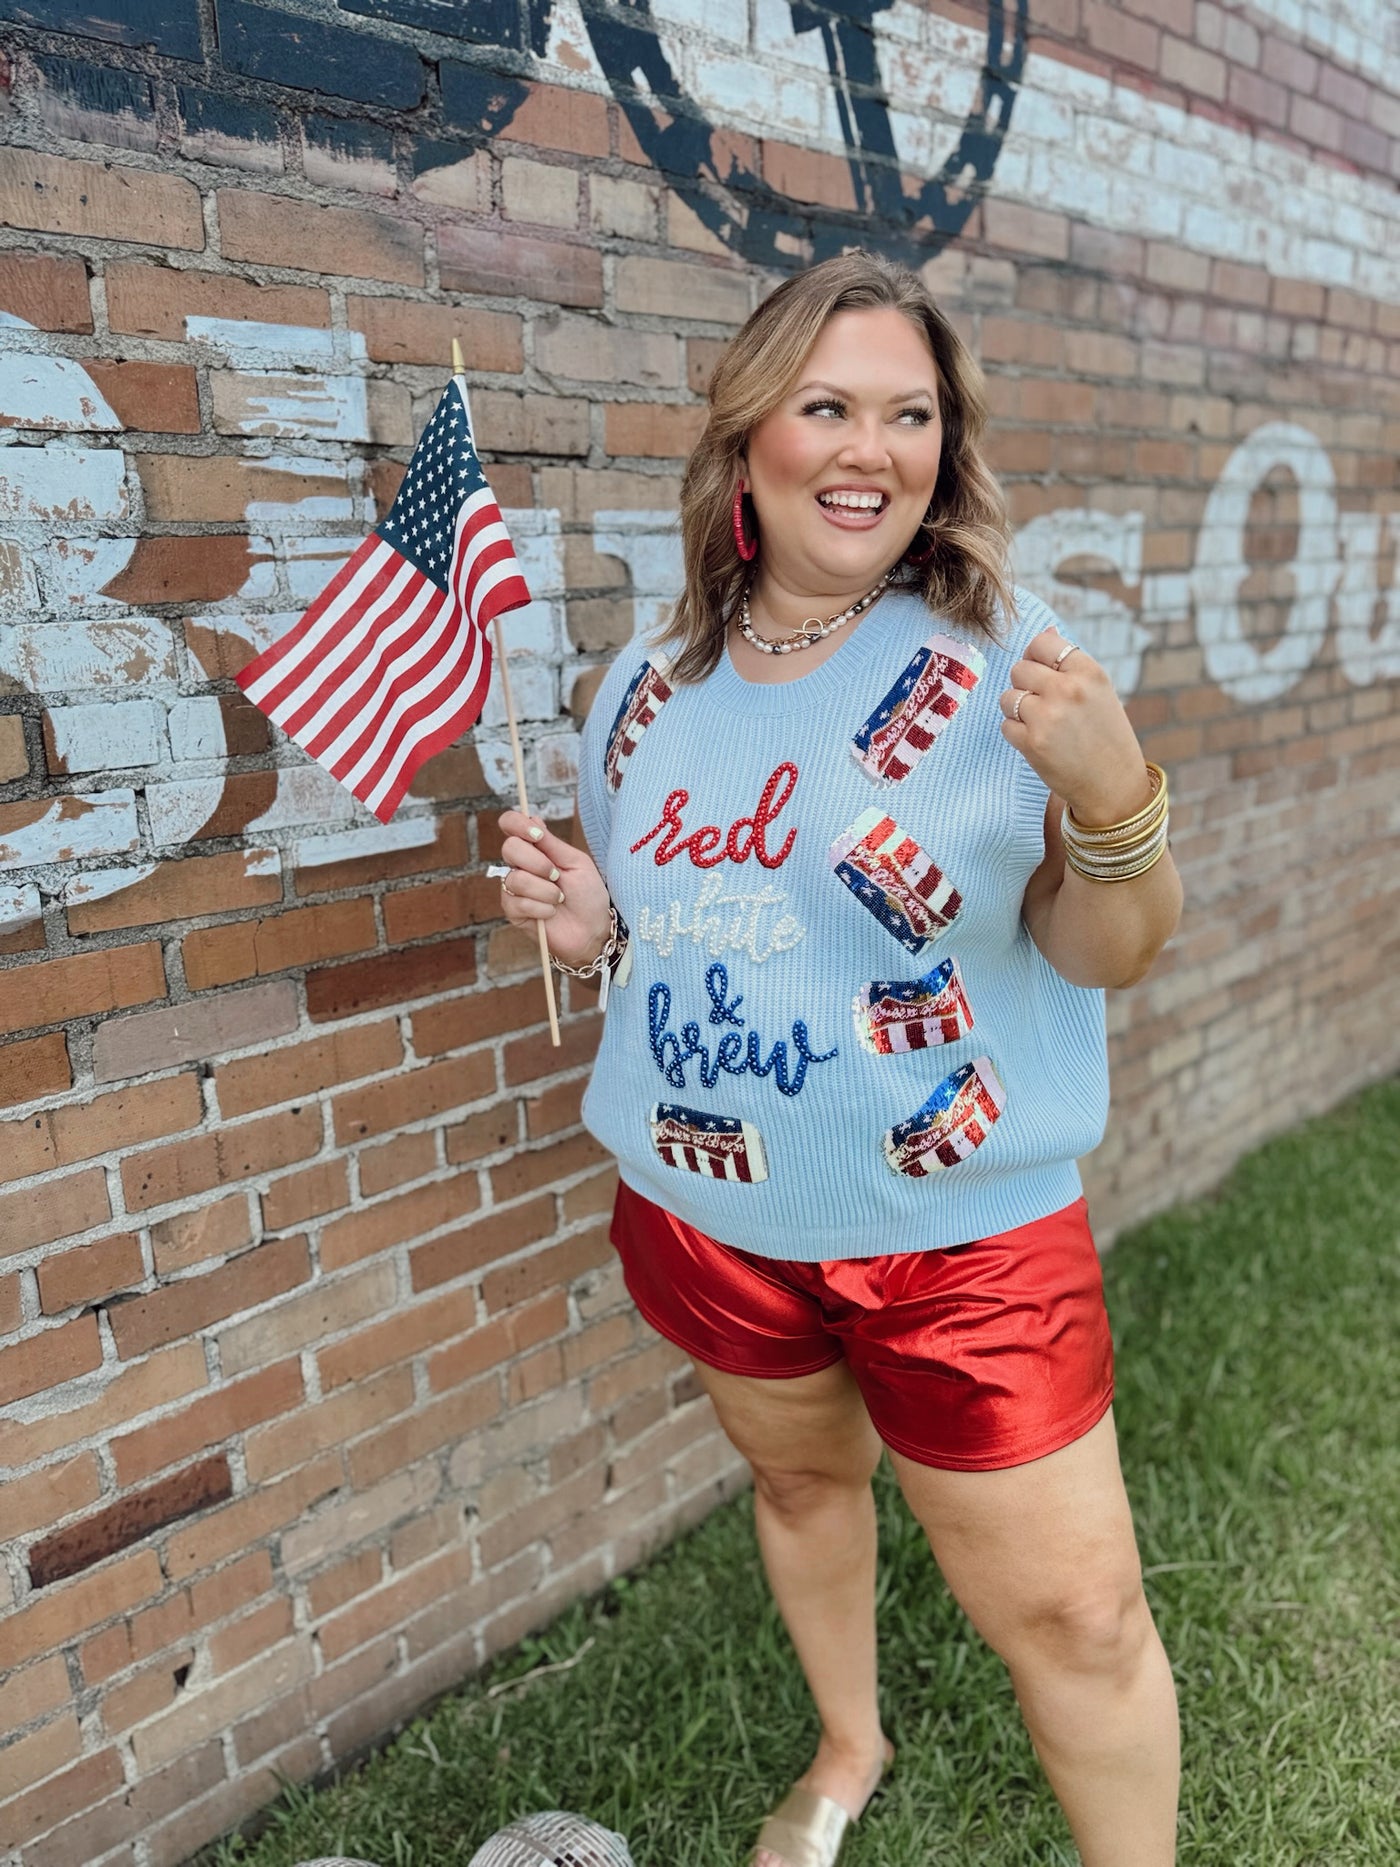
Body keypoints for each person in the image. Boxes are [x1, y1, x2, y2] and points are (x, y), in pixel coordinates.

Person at [496, 250, 1183, 1867]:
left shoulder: (1003, 658)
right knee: (804, 1492)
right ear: (750, 442)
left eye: (911, 413)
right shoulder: (638, 694)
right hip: (712, 1214)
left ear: (949, 443)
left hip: (959, 1236)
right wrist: (599, 921)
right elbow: (701, 929)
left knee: (1080, 1613)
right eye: (829, 406)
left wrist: (1113, 797)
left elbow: (1111, 947)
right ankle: (846, 1745)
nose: (872, 448)